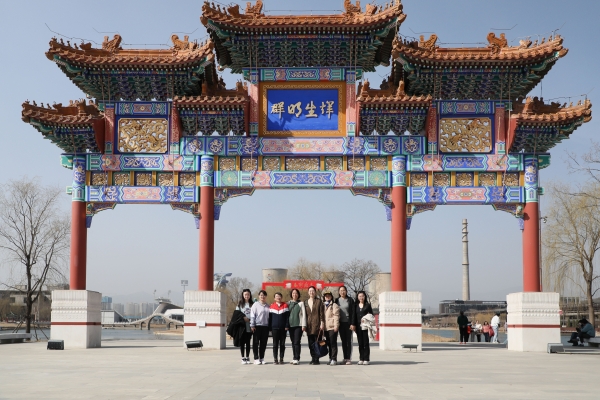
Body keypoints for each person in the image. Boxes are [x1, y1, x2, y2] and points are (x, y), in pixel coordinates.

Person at [335, 285, 356, 365]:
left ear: (346, 291)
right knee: (343, 341)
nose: (342, 292)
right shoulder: (337, 300)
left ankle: (349, 358)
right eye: (341, 290)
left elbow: (353, 312)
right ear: (339, 292)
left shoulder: (350, 300)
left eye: (344, 290)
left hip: (348, 323)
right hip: (341, 324)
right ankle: (345, 358)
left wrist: (352, 323)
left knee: (348, 341)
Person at [304, 286, 325, 365]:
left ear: (315, 292)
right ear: (308, 292)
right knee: (311, 343)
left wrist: (322, 322)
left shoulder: (319, 301)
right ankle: (313, 357)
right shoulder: (305, 302)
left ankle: (317, 359)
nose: (311, 292)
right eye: (310, 291)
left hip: (317, 324)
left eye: (313, 291)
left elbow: (321, 313)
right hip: (309, 325)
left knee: (317, 342)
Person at [250, 290, 270, 365]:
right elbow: (252, 315)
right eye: (261, 295)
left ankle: (262, 358)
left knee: (263, 343)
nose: (262, 296)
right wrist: (252, 325)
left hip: (265, 326)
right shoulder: (255, 305)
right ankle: (256, 358)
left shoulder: (268, 306)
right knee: (255, 343)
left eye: (264, 295)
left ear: (266, 296)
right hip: (257, 326)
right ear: (259, 296)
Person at [269, 292, 289, 364]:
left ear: (281, 297)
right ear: (274, 298)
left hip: (283, 328)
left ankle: (281, 358)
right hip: (274, 328)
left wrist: (287, 325)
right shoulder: (271, 306)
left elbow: (287, 317)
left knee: (282, 344)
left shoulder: (285, 305)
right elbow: (270, 318)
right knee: (275, 344)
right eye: (277, 296)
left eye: (279, 296)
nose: (278, 297)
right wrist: (270, 327)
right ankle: (275, 359)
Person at [287, 288, 306, 365]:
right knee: (293, 342)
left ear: (298, 295)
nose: (294, 294)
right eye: (293, 293)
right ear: (291, 294)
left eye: (296, 293)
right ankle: (294, 357)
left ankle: (297, 358)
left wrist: (304, 325)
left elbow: (304, 315)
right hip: (291, 325)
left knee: (297, 342)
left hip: (298, 325)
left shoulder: (301, 303)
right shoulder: (288, 303)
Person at [354, 291, 373, 365]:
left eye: (362, 296)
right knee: (360, 343)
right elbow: (354, 316)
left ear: (365, 297)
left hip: (365, 327)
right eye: (360, 296)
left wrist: (365, 319)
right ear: (357, 297)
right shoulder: (356, 305)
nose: (361, 298)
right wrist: (353, 325)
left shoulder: (367, 305)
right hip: (358, 327)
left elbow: (371, 316)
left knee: (366, 343)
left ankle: (366, 359)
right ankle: (361, 358)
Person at [235, 289, 253, 364]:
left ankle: (247, 357)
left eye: (248, 294)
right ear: (243, 295)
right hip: (242, 326)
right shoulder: (239, 304)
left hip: (250, 325)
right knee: (242, 342)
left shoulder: (252, 304)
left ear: (250, 295)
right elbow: (236, 314)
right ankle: (243, 357)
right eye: (245, 294)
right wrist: (243, 317)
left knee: (248, 342)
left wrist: (250, 320)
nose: (247, 296)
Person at [323, 290, 340, 366]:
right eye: (326, 296)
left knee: (333, 343)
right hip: (326, 327)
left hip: (332, 327)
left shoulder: (334, 305)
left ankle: (334, 359)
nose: (327, 297)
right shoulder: (323, 305)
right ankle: (330, 358)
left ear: (331, 297)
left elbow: (336, 316)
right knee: (328, 343)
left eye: (329, 296)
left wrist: (336, 326)